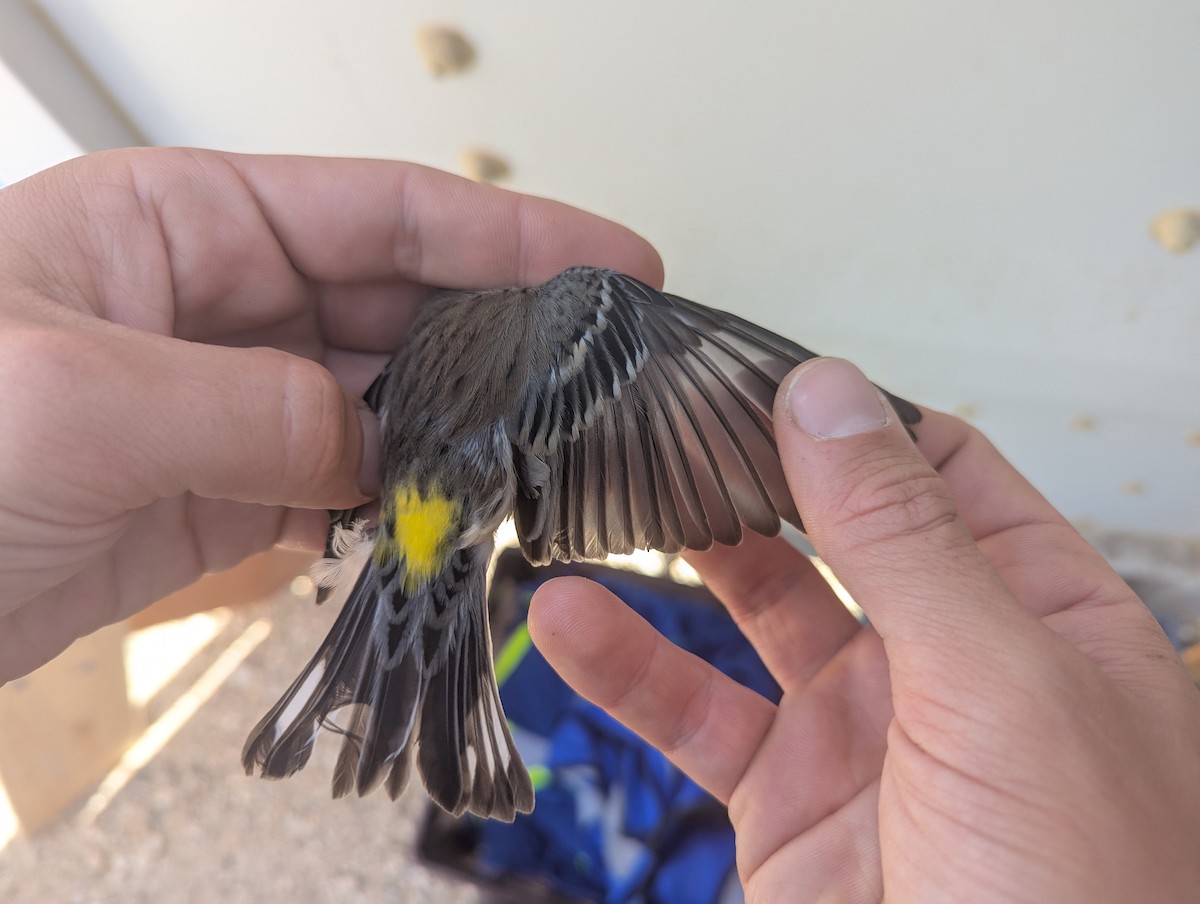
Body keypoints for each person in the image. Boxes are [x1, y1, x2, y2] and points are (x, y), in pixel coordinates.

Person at [1, 148, 1197, 900]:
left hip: (410, 516)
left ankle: (364, 665)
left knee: (424, 594)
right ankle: (396, 678)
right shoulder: (592, 308)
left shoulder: (430, 329)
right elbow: (692, 398)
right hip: (435, 521)